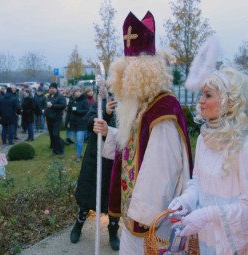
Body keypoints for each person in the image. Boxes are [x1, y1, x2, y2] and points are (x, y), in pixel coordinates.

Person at [96, 11, 193, 254]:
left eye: (128, 72)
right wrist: (111, 132)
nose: (123, 79)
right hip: (135, 211)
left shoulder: (162, 109)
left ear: (142, 73)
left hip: (151, 220)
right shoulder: (141, 105)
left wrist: (140, 217)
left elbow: (161, 171)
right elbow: (135, 145)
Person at [168, 67, 248, 254]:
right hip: (206, 240)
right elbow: (198, 182)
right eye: (201, 94)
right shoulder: (204, 138)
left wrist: (208, 214)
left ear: (229, 102)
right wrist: (186, 199)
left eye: (208, 95)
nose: (200, 100)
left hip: (234, 246)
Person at [70, 98, 121, 250]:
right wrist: (105, 112)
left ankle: (113, 230)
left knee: (114, 196)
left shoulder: (130, 104)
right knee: (87, 194)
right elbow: (89, 122)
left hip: (116, 161)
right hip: (95, 158)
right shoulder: (102, 102)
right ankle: (79, 224)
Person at [65, 86, 89, 161]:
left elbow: (87, 110)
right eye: (76, 91)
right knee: (76, 141)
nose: (78, 92)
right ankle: (79, 153)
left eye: (79, 91)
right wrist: (67, 122)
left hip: (81, 123)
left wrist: (78, 111)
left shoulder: (84, 100)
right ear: (73, 92)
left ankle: (78, 156)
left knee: (79, 139)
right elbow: (68, 112)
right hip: (73, 123)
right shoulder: (71, 100)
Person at [45, 82, 66, 157]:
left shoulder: (60, 97)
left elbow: (63, 106)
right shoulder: (49, 97)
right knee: (51, 135)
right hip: (49, 119)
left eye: (52, 88)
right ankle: (55, 150)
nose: (51, 89)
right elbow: (47, 106)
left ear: (56, 89)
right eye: (50, 88)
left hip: (57, 118)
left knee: (56, 135)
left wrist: (53, 106)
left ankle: (61, 151)